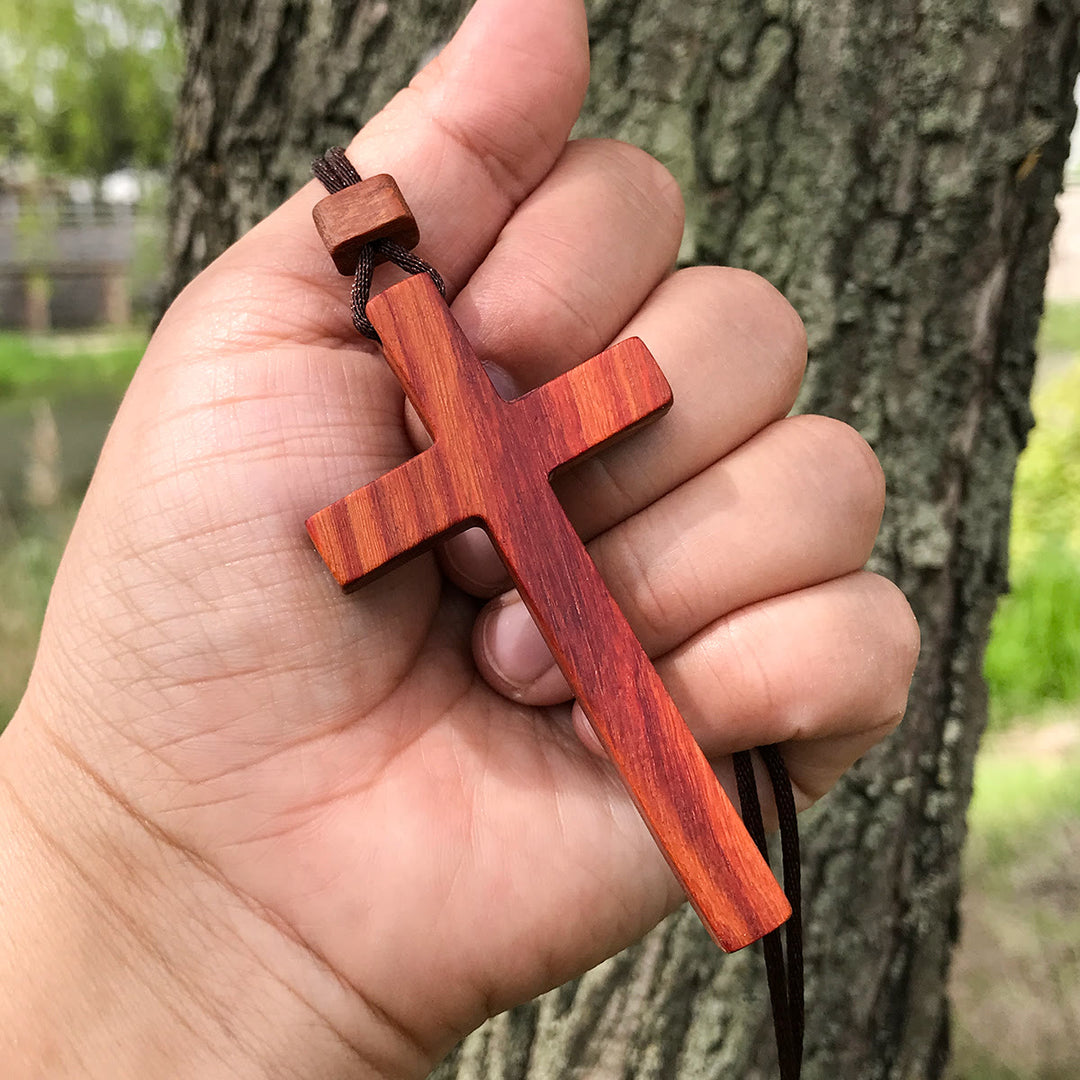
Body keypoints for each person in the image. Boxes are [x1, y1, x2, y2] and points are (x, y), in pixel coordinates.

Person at [0, 0, 919, 1075]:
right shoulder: (400, 473)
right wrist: (125, 862)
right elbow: (351, 537)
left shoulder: (494, 413)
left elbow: (634, 385)